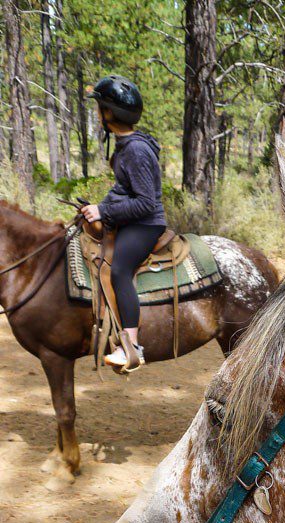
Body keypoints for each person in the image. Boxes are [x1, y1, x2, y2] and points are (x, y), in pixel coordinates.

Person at [80, 75, 166, 372]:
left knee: (119, 269)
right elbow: (123, 190)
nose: (98, 114)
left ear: (109, 113)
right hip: (133, 219)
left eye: (100, 108)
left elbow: (146, 203)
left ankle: (132, 348)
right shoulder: (124, 144)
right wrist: (96, 208)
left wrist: (104, 211)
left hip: (147, 224)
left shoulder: (136, 150)